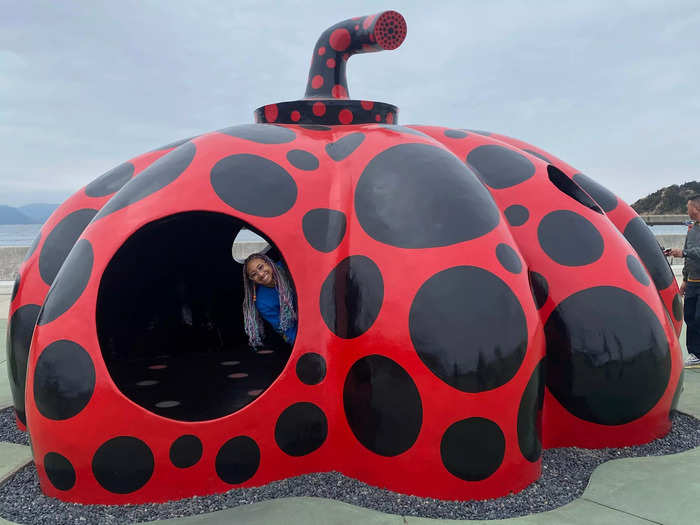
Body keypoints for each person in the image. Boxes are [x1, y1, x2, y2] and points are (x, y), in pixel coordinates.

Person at [242, 253, 297, 350]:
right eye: (254, 274)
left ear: (268, 262)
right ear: (251, 279)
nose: (261, 274)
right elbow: (286, 330)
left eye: (261, 267)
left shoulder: (287, 266)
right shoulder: (262, 303)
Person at [669, 195, 700, 368]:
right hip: (693, 281)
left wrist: (684, 253)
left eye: (688, 207)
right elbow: (688, 254)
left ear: (696, 208)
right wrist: (685, 279)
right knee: (689, 317)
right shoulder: (692, 229)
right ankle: (695, 355)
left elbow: (690, 252)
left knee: (699, 317)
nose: (687, 210)